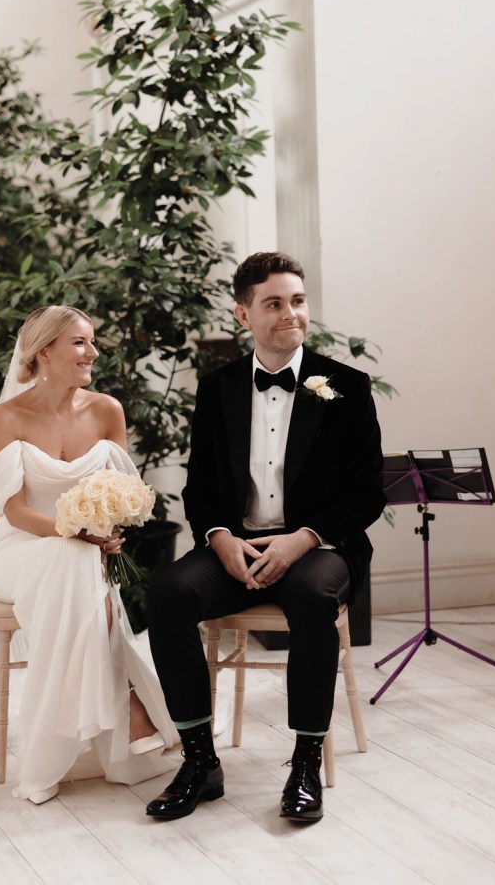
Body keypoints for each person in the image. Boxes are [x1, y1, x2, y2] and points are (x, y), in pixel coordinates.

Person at [146, 252, 385, 823]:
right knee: (167, 592)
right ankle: (200, 761)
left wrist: (303, 538)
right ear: (243, 313)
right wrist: (220, 538)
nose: (290, 314)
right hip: (237, 546)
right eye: (274, 303)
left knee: (308, 595)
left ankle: (304, 765)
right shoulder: (218, 388)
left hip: (319, 548)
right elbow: (199, 485)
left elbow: (367, 494)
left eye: (297, 301)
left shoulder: (345, 386)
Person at [0, 305, 175, 804]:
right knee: (73, 559)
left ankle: (46, 757)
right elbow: (15, 511)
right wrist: (73, 530)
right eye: (81, 343)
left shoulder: (107, 411)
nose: (94, 352)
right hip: (18, 553)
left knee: (77, 563)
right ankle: (128, 703)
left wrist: (103, 530)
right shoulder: (6, 417)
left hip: (81, 557)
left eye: (92, 341)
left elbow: (122, 495)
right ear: (43, 351)